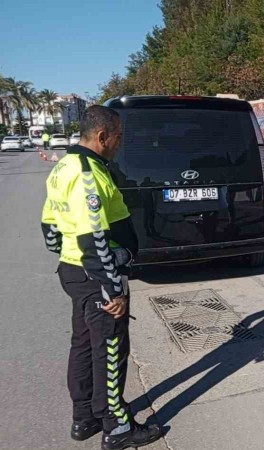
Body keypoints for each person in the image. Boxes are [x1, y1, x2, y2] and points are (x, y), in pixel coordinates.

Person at [41, 106, 162, 450]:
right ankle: (117, 427)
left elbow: (50, 226)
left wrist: (67, 258)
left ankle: (84, 418)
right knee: (109, 349)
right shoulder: (86, 173)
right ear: (102, 136)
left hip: (76, 271)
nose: (120, 143)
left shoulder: (64, 166)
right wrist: (112, 289)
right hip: (97, 275)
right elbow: (92, 238)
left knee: (83, 344)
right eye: (119, 136)